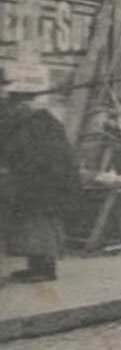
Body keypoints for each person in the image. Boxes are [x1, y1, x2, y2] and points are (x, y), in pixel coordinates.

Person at [0, 81, 80, 283]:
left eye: (16, 103)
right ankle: (34, 267)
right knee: (29, 228)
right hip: (31, 183)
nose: (13, 108)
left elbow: (38, 154)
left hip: (44, 184)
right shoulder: (25, 123)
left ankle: (45, 270)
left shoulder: (39, 123)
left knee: (41, 227)